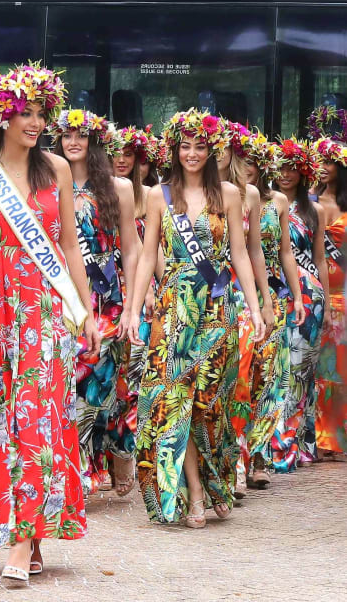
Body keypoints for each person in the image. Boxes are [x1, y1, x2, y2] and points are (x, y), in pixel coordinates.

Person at [0, 63, 97, 581]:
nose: (34, 122)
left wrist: (86, 310)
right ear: (0, 116)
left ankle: (21, 544)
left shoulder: (54, 169)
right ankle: (23, 532)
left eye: (40, 113)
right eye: (24, 113)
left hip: (45, 309)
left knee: (37, 419)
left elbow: (70, 246)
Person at [126, 108, 265, 529]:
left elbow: (240, 253)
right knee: (175, 398)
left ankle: (217, 480)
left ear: (212, 149)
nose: (191, 153)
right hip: (173, 309)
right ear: (174, 149)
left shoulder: (229, 194)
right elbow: (148, 254)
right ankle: (195, 493)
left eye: (199, 146)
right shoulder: (158, 195)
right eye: (184, 146)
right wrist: (134, 309)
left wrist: (256, 308)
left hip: (218, 308)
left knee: (209, 402)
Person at [51, 109, 140, 496]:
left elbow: (133, 250)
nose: (73, 142)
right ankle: (83, 468)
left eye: (81, 136)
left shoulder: (118, 188)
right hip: (62, 295)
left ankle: (114, 454)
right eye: (66, 135)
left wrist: (134, 305)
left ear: (94, 142)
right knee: (71, 382)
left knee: (103, 384)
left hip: (107, 299)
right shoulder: (47, 182)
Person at [241, 133, 303, 488]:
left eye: (251, 162)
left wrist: (295, 295)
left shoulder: (277, 201)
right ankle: (235, 458)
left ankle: (260, 454)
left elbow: (284, 252)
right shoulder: (225, 198)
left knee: (269, 377)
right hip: (231, 293)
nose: (245, 168)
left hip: (271, 297)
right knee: (240, 378)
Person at [218, 121, 277, 496]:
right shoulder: (177, 192)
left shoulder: (249, 195)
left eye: (219, 146)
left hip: (238, 295)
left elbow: (253, 250)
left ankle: (236, 463)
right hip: (196, 299)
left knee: (240, 379)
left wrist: (266, 301)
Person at [271, 137, 329, 471]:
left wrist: (326, 302)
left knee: (300, 371)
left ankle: (292, 445)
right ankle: (283, 441)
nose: (286, 174)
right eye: (281, 167)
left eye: (293, 168)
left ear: (304, 171)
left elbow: (319, 260)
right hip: (278, 290)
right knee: (279, 368)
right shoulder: (269, 204)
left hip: (310, 296)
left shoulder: (313, 210)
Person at [112, 125, 161, 493]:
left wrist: (150, 292)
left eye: (130, 154)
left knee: (133, 372)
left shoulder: (151, 197)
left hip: (138, 288)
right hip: (102, 284)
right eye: (118, 152)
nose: (122, 159)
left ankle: (129, 450)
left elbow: (151, 250)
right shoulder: (99, 191)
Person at [314, 136, 347, 456]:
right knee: (327, 368)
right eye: (319, 162)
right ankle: (325, 437)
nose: (323, 169)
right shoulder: (309, 203)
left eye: (330, 162)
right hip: (326, 295)